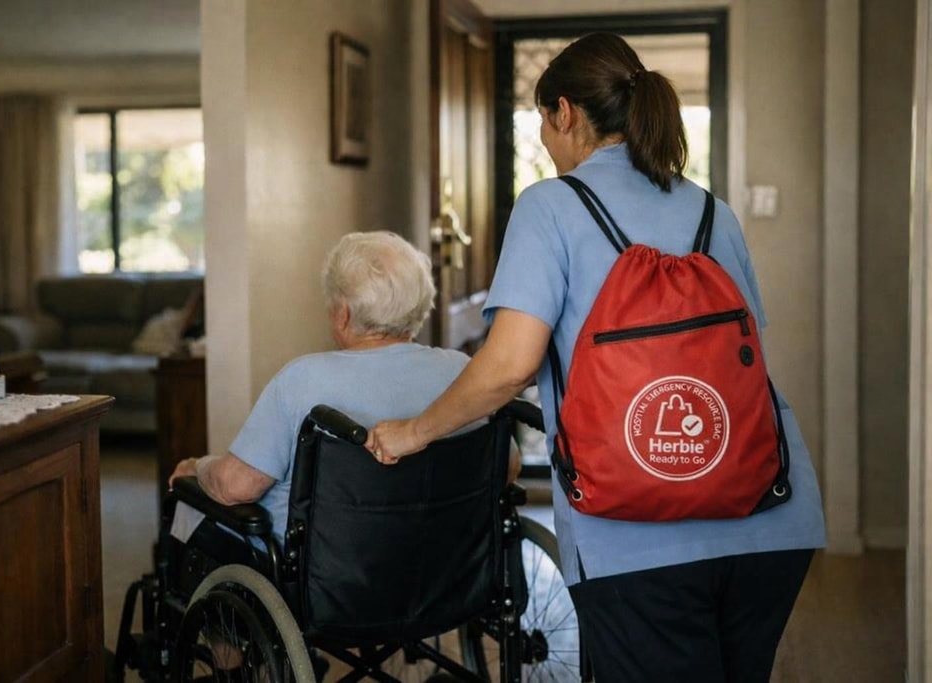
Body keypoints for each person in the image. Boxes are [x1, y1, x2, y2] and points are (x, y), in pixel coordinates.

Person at [366, 33, 826, 683]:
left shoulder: (550, 206)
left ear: (565, 113)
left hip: (638, 534)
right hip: (771, 517)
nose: (547, 146)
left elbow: (509, 365)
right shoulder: (711, 211)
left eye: (542, 125)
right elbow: (740, 360)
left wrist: (412, 431)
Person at [167, 231, 493, 543]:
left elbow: (236, 487)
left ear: (343, 314)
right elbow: (506, 467)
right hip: (445, 566)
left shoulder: (303, 380)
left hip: (323, 576)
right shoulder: (464, 373)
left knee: (193, 500)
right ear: (421, 305)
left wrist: (196, 466)